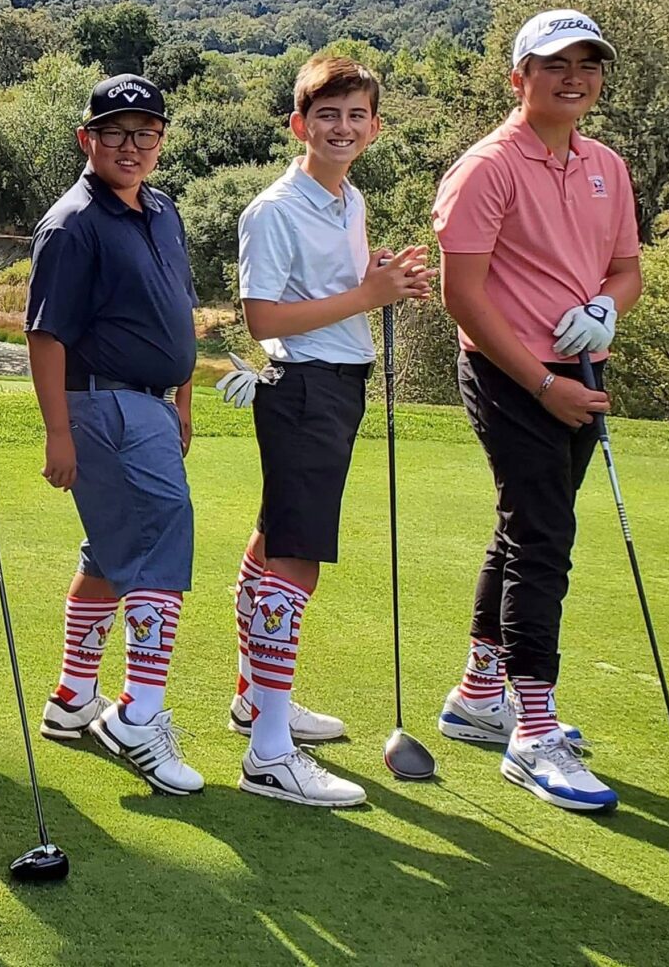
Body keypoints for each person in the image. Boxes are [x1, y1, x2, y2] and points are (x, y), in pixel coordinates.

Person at [432, 9, 639, 813]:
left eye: (589, 64)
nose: (575, 77)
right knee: (545, 535)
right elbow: (463, 295)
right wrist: (543, 386)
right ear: (520, 77)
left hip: (581, 368)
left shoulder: (607, 167)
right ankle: (533, 730)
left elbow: (625, 269)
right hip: (508, 370)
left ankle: (481, 694)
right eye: (557, 64)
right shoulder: (486, 169)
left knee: (523, 526)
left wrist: (607, 309)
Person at [213, 55, 430, 808]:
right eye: (328, 115)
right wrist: (368, 293)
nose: (343, 127)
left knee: (274, 541)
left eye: (357, 115)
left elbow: (335, 290)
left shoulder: (349, 199)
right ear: (299, 125)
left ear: (373, 127)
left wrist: (379, 276)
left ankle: (255, 699)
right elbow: (264, 318)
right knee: (296, 560)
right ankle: (269, 750)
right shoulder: (272, 209)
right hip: (301, 386)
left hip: (337, 385)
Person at [25, 74, 203, 796]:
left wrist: (183, 397)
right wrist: (56, 433)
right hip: (105, 407)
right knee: (163, 543)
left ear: (160, 139)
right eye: (115, 133)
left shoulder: (160, 210)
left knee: (110, 550)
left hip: (152, 405)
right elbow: (45, 336)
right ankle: (138, 713)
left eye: (145, 132)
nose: (131, 146)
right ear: (86, 139)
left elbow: (178, 309)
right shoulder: (72, 224)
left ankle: (73, 697)